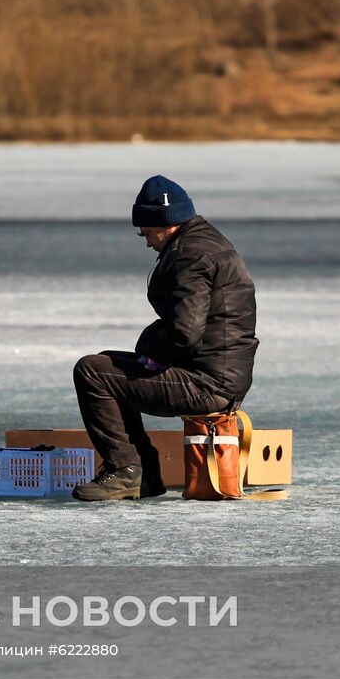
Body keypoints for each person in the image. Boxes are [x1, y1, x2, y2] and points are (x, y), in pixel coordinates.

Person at [71, 175, 258, 501]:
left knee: (92, 371)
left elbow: (185, 333)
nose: (146, 241)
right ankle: (145, 475)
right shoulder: (207, 242)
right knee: (107, 364)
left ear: (166, 223)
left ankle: (127, 471)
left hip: (208, 383)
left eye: (146, 232)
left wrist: (151, 350)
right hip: (220, 374)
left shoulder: (190, 255)